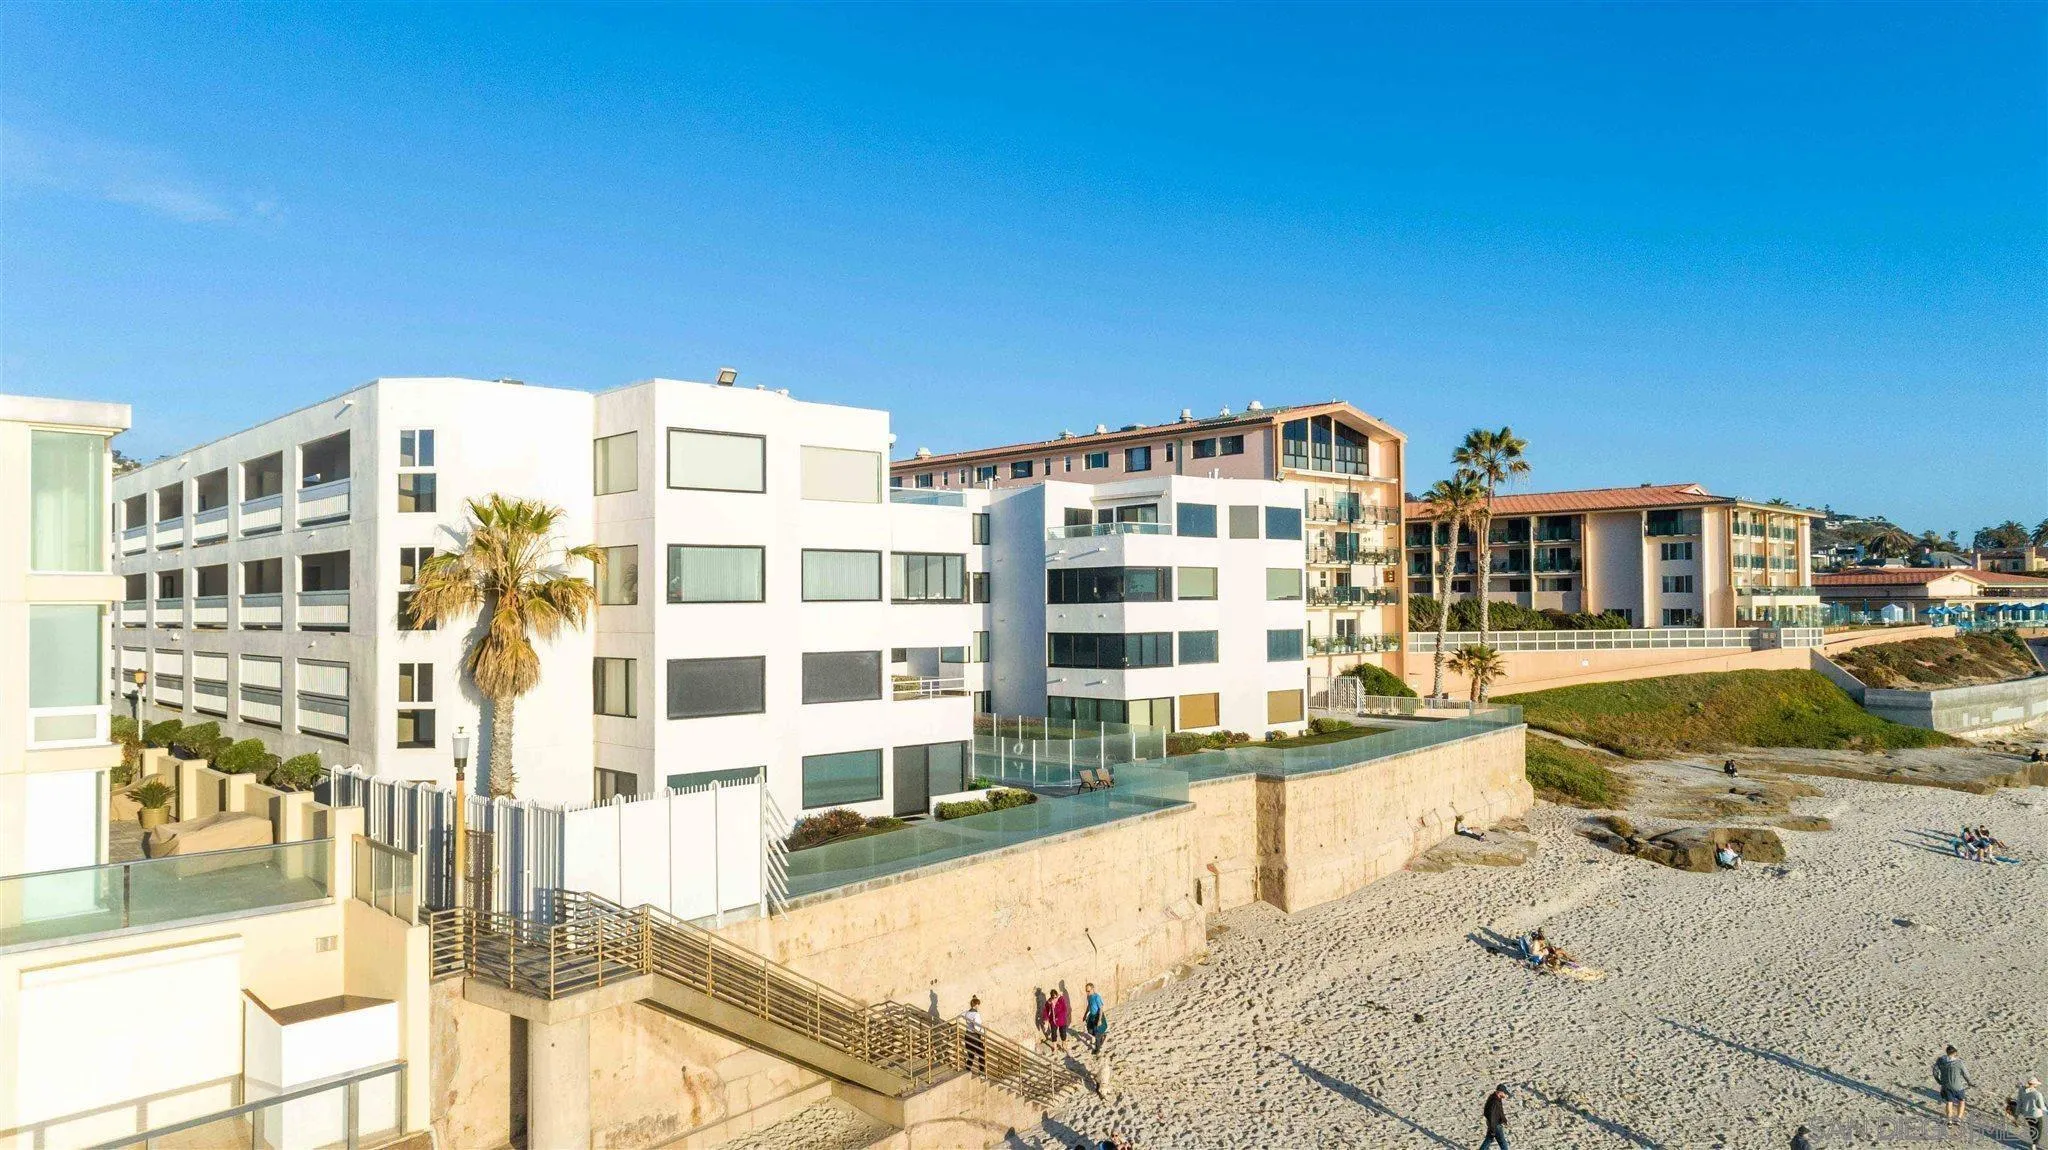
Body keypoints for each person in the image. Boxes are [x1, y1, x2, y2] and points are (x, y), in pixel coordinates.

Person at [1935, 1045, 1973, 1123]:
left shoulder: (1941, 1061)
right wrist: (1970, 1083)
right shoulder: (1959, 1063)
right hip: (1958, 1086)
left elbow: (1935, 1072)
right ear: (1955, 1052)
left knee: (1949, 1102)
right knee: (1962, 1101)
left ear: (1947, 1052)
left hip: (1946, 1085)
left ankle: (1949, 1119)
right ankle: (1958, 1118)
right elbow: (1966, 1074)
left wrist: (1939, 1081)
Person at [2016, 1075, 2045, 1147]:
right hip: (2037, 1115)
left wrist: (2017, 1112)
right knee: (2038, 1129)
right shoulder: (2038, 1094)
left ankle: (2033, 1141)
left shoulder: (2021, 1091)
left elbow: (2019, 1102)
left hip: (2026, 1114)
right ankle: (2035, 1144)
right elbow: (2041, 1106)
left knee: (2032, 1128)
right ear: (2034, 1084)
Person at [1480, 1083, 1510, 1149]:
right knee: (1502, 1142)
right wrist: (1493, 1129)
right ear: (1501, 1092)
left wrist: (1504, 1120)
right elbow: (1492, 1116)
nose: (1506, 1095)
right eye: (1505, 1093)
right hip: (1495, 1125)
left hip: (1492, 1123)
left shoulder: (1495, 1097)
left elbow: (1499, 1111)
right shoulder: (1495, 1102)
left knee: (1489, 1139)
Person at [961, 996, 986, 1073]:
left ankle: (968, 1070)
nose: (978, 1006)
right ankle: (981, 1072)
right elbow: (977, 1027)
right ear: (976, 1005)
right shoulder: (976, 1014)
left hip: (967, 1035)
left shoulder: (967, 1013)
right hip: (975, 1036)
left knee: (970, 1055)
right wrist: (982, 1031)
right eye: (978, 1004)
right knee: (981, 1055)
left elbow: (960, 1016)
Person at [1084, 982, 1108, 1055]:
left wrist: (1099, 1020)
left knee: (1097, 1034)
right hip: (1091, 1015)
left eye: (1088, 991)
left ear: (1093, 989)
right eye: (1086, 991)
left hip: (1098, 1015)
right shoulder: (1088, 997)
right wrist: (1085, 1014)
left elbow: (1101, 1009)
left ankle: (1097, 1049)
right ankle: (1102, 1036)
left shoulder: (1097, 997)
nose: (1087, 993)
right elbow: (1089, 1006)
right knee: (1090, 1030)